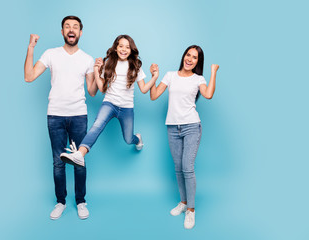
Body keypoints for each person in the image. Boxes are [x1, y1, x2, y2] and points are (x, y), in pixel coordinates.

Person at [24, 16, 98, 220]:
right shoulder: (50, 54)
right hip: (55, 115)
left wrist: (98, 71)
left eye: (75, 27)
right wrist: (31, 47)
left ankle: (81, 201)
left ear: (80, 32)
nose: (71, 29)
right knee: (58, 162)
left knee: (79, 160)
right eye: (67, 26)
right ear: (62, 32)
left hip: (78, 115)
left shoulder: (87, 59)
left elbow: (92, 92)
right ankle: (60, 202)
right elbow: (29, 76)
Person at [60, 35, 158, 167]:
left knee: (128, 139)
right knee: (97, 125)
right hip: (110, 103)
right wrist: (96, 70)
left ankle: (138, 138)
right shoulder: (109, 64)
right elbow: (101, 88)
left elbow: (144, 89)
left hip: (126, 108)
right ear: (116, 48)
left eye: (127, 47)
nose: (124, 49)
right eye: (121, 46)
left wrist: (155, 77)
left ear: (131, 50)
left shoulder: (135, 66)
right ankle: (80, 154)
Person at [150, 45, 219, 229]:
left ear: (198, 62)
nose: (190, 59)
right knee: (178, 168)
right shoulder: (170, 75)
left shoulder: (199, 79)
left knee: (187, 168)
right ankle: (183, 202)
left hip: (191, 126)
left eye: (194, 57)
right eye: (188, 55)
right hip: (172, 127)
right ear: (183, 56)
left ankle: (191, 210)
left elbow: (208, 94)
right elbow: (154, 95)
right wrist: (155, 76)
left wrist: (213, 72)